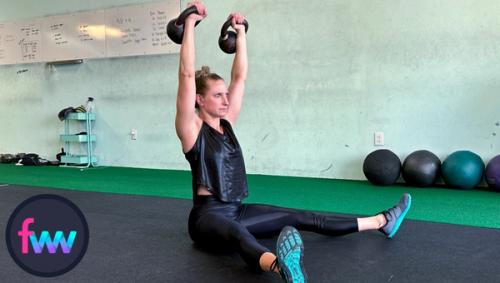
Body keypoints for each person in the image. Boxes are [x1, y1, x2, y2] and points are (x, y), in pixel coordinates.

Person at [174, 2, 412, 282]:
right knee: (239, 234)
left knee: (299, 216)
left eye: (226, 94)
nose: (226, 100)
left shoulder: (228, 122)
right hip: (207, 219)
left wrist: (241, 34)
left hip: (237, 210)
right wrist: (189, 23)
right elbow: (186, 74)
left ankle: (382, 221)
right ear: (199, 100)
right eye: (217, 95)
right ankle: (281, 267)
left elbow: (240, 77)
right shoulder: (191, 129)